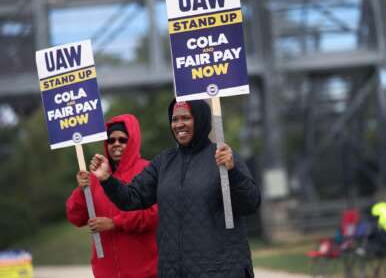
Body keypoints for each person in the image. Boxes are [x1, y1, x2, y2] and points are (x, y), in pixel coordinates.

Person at [89, 99, 261, 278]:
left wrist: (233, 172)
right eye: (174, 119)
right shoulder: (164, 162)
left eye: (186, 118)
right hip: (174, 272)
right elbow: (131, 198)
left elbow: (251, 203)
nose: (179, 124)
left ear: (200, 119)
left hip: (221, 271)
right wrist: (107, 179)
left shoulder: (223, 157)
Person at [66, 114, 158, 278]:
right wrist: (82, 190)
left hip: (145, 271)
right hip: (106, 272)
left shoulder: (148, 169)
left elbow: (154, 214)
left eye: (122, 140)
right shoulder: (95, 176)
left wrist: (115, 223)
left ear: (133, 140)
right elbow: (75, 217)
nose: (116, 144)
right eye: (111, 140)